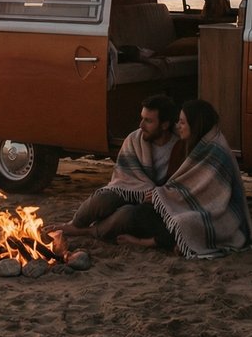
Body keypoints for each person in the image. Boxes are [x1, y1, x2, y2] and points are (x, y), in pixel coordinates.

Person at [116, 99, 252, 258]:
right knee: (144, 212)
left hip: (219, 215)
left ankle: (148, 242)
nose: (178, 126)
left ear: (195, 125)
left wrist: (163, 196)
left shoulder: (215, 150)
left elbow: (207, 195)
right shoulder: (186, 145)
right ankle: (176, 242)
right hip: (191, 207)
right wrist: (161, 196)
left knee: (185, 222)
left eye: (182, 122)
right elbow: (177, 184)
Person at [49, 95, 185, 242]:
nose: (141, 125)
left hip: (157, 202)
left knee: (125, 214)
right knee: (102, 199)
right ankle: (74, 224)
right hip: (131, 189)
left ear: (164, 125)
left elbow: (182, 184)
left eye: (148, 121)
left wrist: (160, 194)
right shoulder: (134, 139)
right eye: (142, 118)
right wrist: (144, 190)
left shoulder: (180, 147)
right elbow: (124, 177)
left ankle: (90, 231)